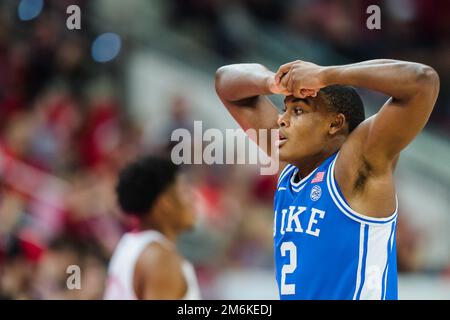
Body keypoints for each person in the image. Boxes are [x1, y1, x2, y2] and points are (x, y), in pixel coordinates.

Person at [215, 59, 439, 299]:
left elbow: (423, 80)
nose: (282, 119)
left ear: (335, 123)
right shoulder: (293, 165)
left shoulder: (354, 166)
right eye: (284, 109)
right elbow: (224, 82)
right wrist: (273, 82)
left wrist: (325, 75)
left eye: (298, 110)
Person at [103, 156, 200, 299]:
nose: (193, 198)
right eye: (185, 191)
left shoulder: (128, 244)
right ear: (164, 202)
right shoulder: (162, 259)